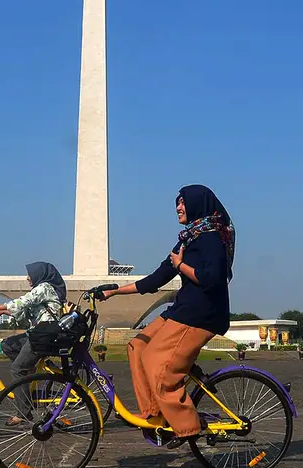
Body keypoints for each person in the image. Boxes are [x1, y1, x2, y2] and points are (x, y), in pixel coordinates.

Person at [99, 185, 235, 448]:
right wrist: (114, 291)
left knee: (158, 364)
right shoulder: (189, 238)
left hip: (201, 314)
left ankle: (185, 427)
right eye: (177, 203)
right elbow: (157, 278)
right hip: (182, 310)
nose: (178, 208)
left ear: (197, 204)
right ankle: (155, 413)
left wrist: (181, 265)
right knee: (137, 346)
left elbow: (212, 279)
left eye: (183, 202)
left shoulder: (211, 238)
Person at [0, 262, 66, 425]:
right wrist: (3, 311)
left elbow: (25, 301)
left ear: (40, 275)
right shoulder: (41, 290)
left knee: (17, 370)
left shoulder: (45, 287)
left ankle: (23, 412)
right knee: (8, 345)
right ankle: (28, 375)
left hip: (44, 334)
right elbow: (25, 314)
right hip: (37, 332)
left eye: (31, 274)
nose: (28, 278)